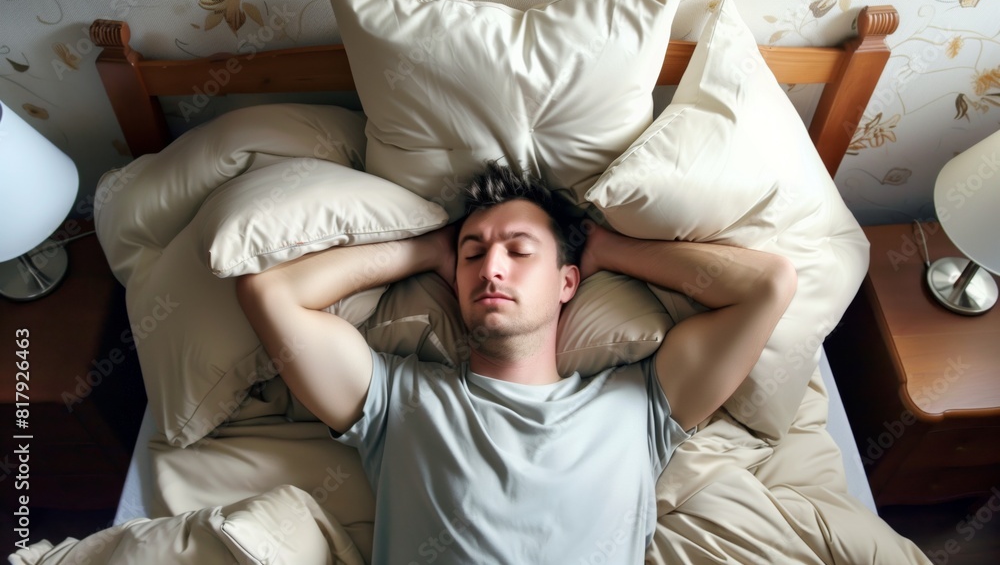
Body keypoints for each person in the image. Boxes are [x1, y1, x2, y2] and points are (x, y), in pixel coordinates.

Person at [236, 161, 797, 564]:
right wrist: (427, 250)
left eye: (520, 251)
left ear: (566, 283)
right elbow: (269, 294)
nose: (491, 269)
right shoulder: (395, 399)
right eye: (473, 253)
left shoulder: (639, 405)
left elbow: (769, 285)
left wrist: (605, 250)